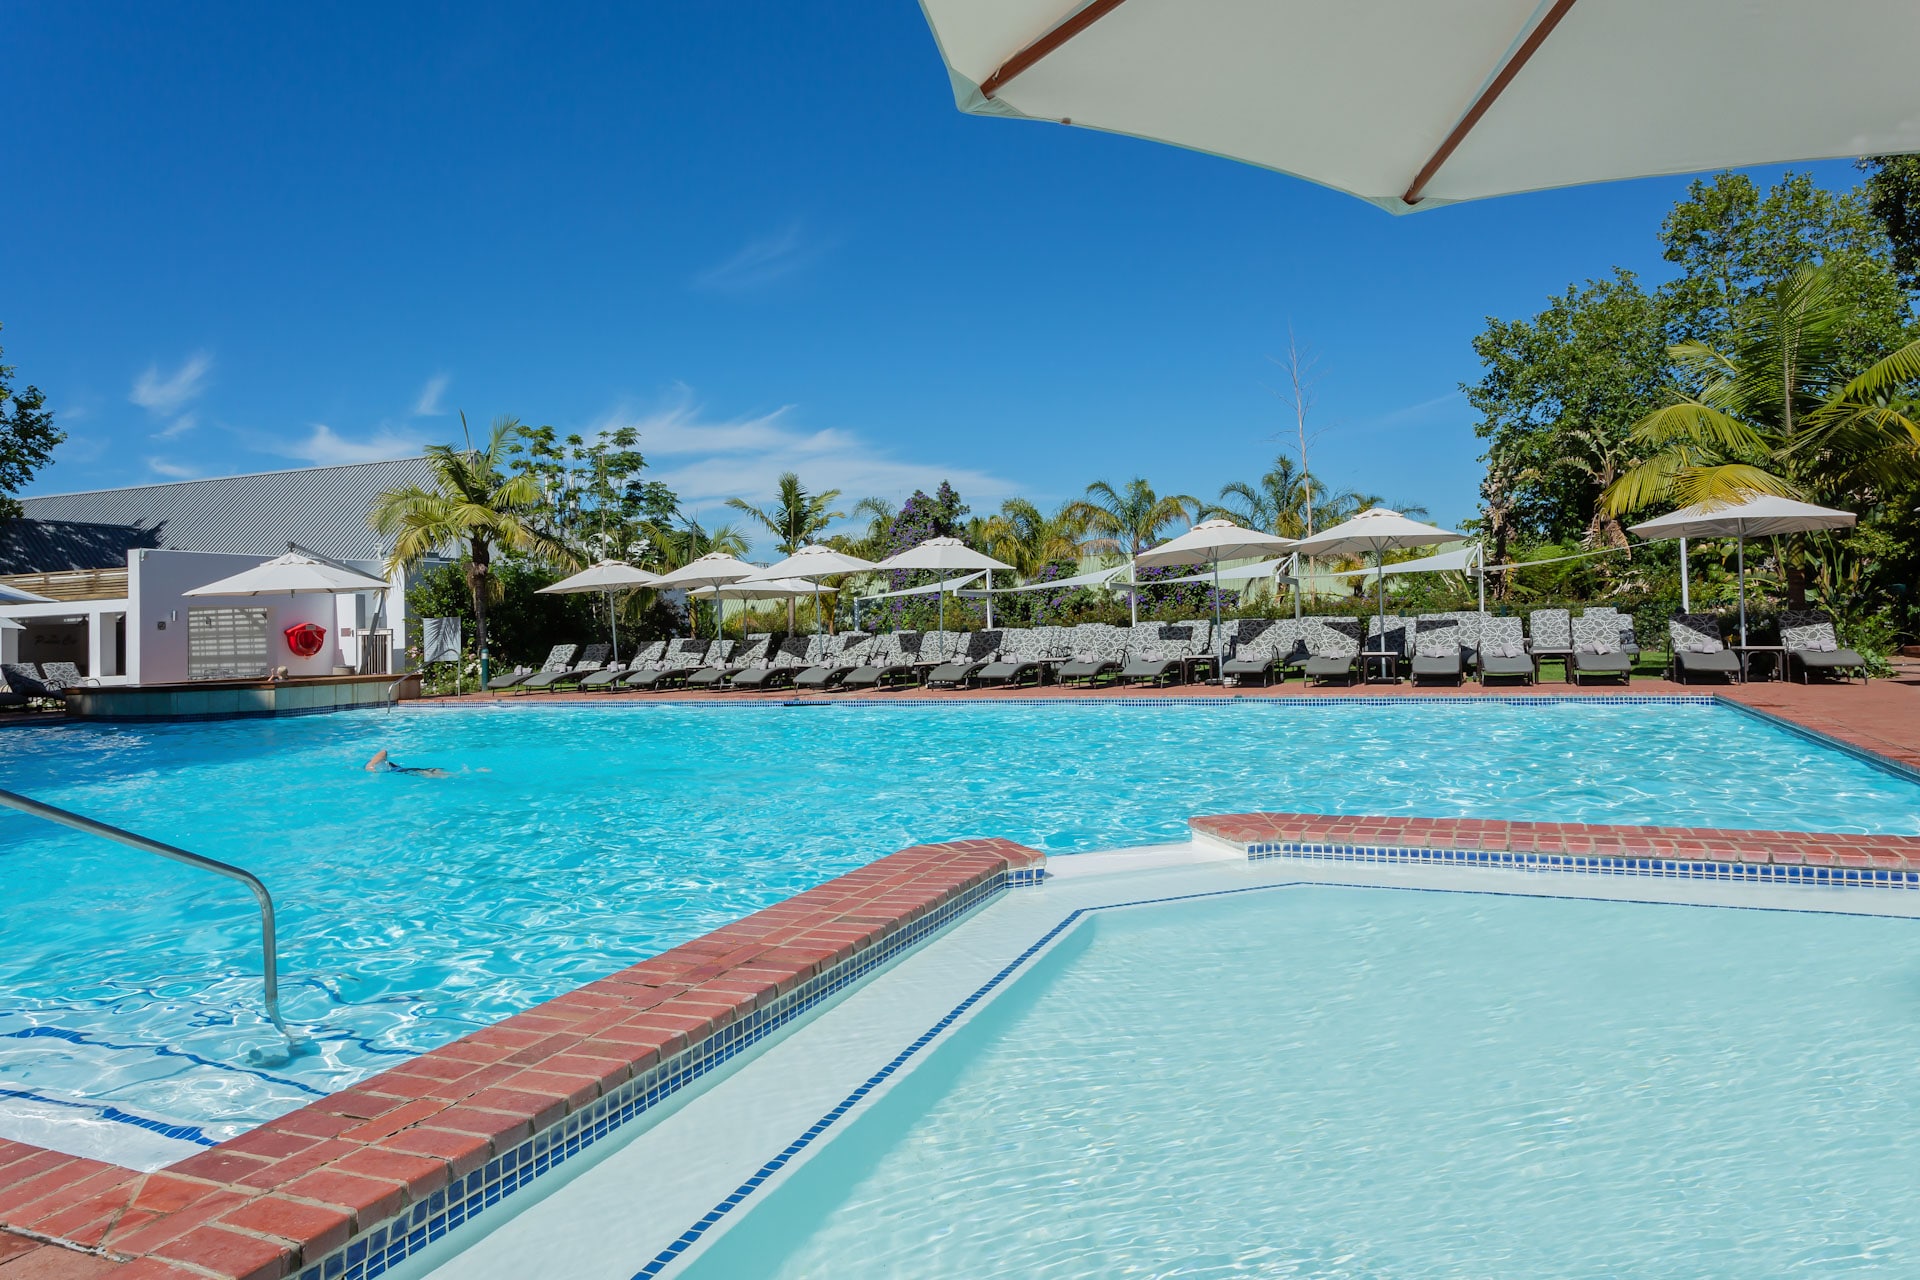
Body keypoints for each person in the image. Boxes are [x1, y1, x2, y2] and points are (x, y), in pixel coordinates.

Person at [364, 749, 448, 778]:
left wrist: (370, 767)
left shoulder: (371, 763)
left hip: (407, 771)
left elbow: (383, 752)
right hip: (408, 771)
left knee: (441, 776)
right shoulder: (381, 763)